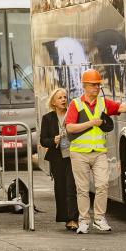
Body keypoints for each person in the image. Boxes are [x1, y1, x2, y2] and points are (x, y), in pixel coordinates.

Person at [65, 69, 126, 234]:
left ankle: (99, 218)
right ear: (85, 86)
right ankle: (84, 220)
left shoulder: (103, 103)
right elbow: (70, 127)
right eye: (93, 85)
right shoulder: (76, 104)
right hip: (79, 153)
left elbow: (123, 108)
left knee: (102, 184)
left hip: (99, 153)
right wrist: (91, 123)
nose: (96, 87)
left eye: (98, 85)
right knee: (82, 189)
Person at [40, 88, 78, 231]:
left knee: (71, 187)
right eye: (60, 98)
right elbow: (43, 140)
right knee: (60, 187)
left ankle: (73, 218)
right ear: (53, 102)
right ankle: (65, 217)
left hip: (73, 156)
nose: (63, 100)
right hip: (57, 158)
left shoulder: (73, 114)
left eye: (65, 97)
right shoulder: (48, 118)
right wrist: (53, 140)